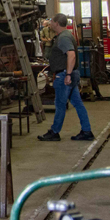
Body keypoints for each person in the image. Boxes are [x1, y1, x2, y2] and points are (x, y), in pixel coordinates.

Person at [38, 13, 94, 142]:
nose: (50, 23)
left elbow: (71, 55)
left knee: (60, 104)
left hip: (64, 75)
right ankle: (86, 131)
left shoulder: (63, 37)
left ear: (57, 23)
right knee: (77, 103)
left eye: (51, 21)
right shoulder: (66, 35)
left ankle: (55, 131)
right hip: (69, 73)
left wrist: (67, 74)